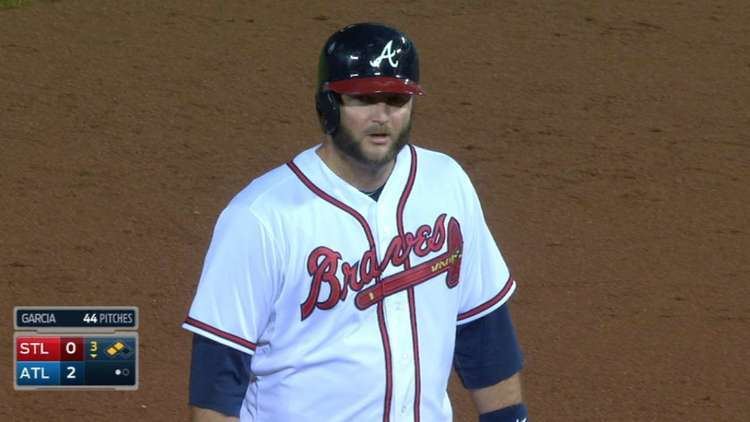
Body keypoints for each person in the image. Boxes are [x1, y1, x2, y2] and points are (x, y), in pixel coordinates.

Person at [183, 22, 528, 422]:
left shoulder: (446, 184)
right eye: (363, 99)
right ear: (329, 105)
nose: (382, 116)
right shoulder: (260, 218)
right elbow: (216, 386)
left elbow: (483, 333)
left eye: (396, 99)